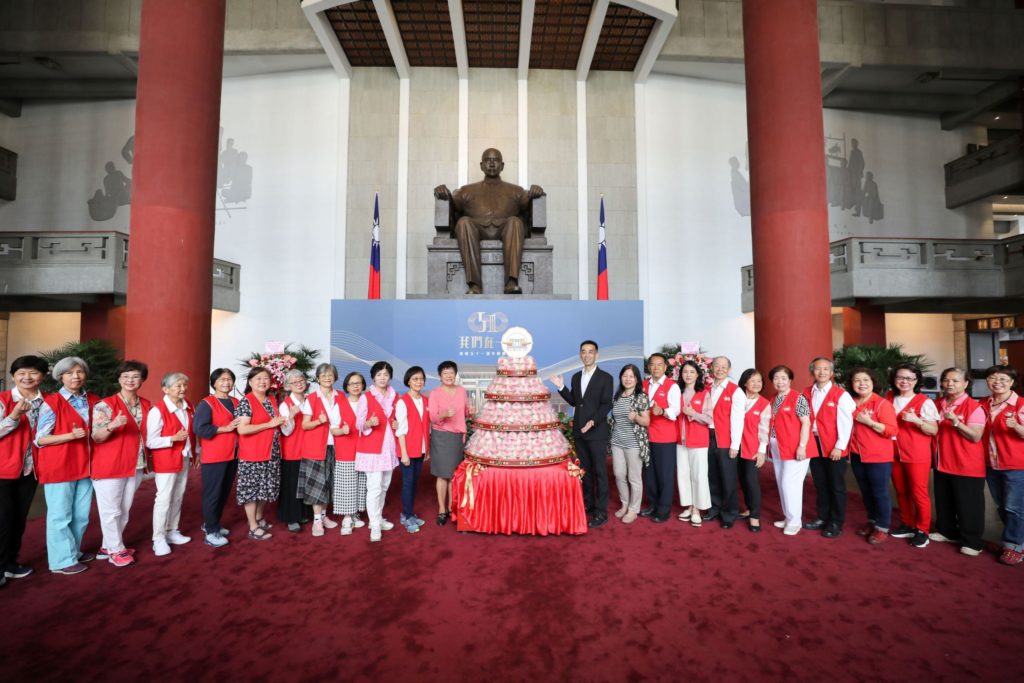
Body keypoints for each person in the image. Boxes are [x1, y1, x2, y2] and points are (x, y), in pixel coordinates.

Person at [433, 148, 545, 294]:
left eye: (496, 160)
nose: (491, 164)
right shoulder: (466, 190)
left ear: (502, 165)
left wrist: (536, 191)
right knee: (463, 222)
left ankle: (511, 282)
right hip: (475, 231)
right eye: (487, 160)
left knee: (515, 222)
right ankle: (474, 285)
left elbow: (528, 200)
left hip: (505, 230)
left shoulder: (516, 191)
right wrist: (444, 193)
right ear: (481, 165)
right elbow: (452, 204)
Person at [34, 356, 99, 574]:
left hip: (86, 465)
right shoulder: (51, 403)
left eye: (79, 372)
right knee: (60, 515)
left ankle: (74, 551)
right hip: (60, 465)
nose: (75, 376)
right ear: (60, 376)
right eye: (69, 373)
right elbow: (40, 439)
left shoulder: (93, 400)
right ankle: (61, 561)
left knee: (81, 514)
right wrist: (70, 436)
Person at [90, 360, 151, 567]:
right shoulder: (105, 405)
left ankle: (107, 546)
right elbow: (96, 437)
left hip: (136, 464)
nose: (130, 380)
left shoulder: (146, 404)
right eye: (125, 376)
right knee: (111, 511)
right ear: (119, 379)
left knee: (124, 510)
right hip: (110, 465)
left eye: (135, 376)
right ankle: (117, 550)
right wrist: (112, 426)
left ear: (142, 380)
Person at [552, 340, 614, 527]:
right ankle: (588, 505)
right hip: (580, 433)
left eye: (590, 352)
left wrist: (592, 421)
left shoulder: (606, 378)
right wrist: (561, 387)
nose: (586, 355)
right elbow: (574, 401)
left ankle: (601, 512)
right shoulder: (576, 378)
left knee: (601, 473)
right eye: (583, 352)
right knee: (585, 472)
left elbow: (606, 405)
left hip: (596, 432)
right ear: (580, 355)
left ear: (597, 355)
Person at [0, 355, 49, 582]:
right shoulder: (3, 399)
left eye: (33, 373)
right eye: (21, 373)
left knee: (18, 519)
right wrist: (13, 416)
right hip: (3, 469)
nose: (27, 377)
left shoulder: (49, 402)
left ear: (43, 376)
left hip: (31, 470)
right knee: (3, 518)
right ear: (13, 376)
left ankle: (10, 562)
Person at [931, 367, 986, 556]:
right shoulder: (937, 403)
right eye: (946, 380)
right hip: (942, 460)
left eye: (955, 381)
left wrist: (956, 421)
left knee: (968, 504)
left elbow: (976, 436)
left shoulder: (974, 406)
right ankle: (947, 531)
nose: (950, 384)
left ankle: (972, 542)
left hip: (966, 463)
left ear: (965, 384)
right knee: (944, 499)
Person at [802, 357, 856, 538]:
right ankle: (822, 516)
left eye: (826, 369)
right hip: (813, 443)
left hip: (833, 446)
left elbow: (846, 423)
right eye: (818, 369)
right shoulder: (806, 392)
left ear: (831, 373)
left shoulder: (841, 394)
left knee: (836, 485)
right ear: (812, 372)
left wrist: (839, 446)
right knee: (820, 483)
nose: (822, 372)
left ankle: (835, 521)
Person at [886, 363, 939, 548]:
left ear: (916, 381)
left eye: (909, 378)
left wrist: (916, 420)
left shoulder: (924, 401)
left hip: (916, 454)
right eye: (900, 377)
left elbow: (933, 429)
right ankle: (907, 523)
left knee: (918, 493)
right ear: (894, 379)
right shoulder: (889, 397)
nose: (904, 381)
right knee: (901, 491)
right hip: (893, 453)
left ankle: (922, 529)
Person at [146, 372, 197, 557]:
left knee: (178, 495)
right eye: (178, 386)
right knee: (164, 498)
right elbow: (151, 441)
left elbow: (191, 432)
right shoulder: (157, 410)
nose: (182, 389)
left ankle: (172, 530)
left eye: (184, 385)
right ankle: (158, 538)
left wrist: (194, 452)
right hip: (166, 459)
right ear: (165, 389)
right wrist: (172, 439)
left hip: (183, 457)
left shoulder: (188, 405)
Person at [846, 368, 898, 545]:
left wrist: (869, 422)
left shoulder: (882, 404)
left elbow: (892, 430)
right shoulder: (850, 403)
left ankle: (883, 527)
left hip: (878, 457)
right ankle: (873, 520)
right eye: (857, 380)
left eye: (865, 380)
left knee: (879, 492)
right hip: (856, 454)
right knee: (866, 491)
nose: (861, 384)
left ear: (873, 382)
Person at [235, 366, 286, 541]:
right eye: (258, 379)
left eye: (266, 378)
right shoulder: (246, 402)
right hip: (253, 454)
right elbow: (242, 429)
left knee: (265, 488)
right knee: (251, 490)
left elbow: (276, 422)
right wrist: (269, 424)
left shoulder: (271, 399)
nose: (263, 381)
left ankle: (259, 517)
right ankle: (252, 526)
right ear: (250, 382)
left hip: (271, 452)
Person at [980, 365, 1024, 565]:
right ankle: (1015, 540)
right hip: (991, 464)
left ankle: (1013, 545)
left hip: (1016, 464)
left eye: (1003, 379)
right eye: (992, 378)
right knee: (1002, 506)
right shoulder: (983, 404)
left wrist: (1018, 428)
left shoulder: (1021, 404)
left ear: (1012, 383)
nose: (997, 382)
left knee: (1014, 507)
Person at [193, 368, 240, 548]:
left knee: (224, 491)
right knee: (213, 493)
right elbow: (199, 428)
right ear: (214, 383)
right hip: (215, 455)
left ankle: (212, 524)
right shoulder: (207, 403)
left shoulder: (236, 401)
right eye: (222, 380)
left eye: (229, 379)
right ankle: (211, 532)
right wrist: (224, 428)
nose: (226, 383)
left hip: (233, 454)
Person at [298, 364, 345, 536]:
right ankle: (317, 520)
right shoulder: (311, 398)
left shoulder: (341, 396)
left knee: (329, 482)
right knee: (317, 483)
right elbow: (305, 424)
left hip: (337, 445)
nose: (327, 377)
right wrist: (319, 421)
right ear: (317, 378)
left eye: (331, 374)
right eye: (323, 375)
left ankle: (324, 516)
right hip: (316, 447)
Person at [356, 361, 399, 543]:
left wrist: (398, 424)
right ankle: (373, 524)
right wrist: (368, 423)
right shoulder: (366, 397)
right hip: (372, 448)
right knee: (373, 487)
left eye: (386, 374)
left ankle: (379, 518)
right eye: (379, 374)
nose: (383, 378)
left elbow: (398, 419)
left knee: (384, 486)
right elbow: (358, 423)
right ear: (373, 377)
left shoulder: (394, 396)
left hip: (389, 447)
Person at [767, 365, 812, 536]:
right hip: (777, 446)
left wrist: (802, 446)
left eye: (783, 378)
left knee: (789, 483)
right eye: (776, 378)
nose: (779, 381)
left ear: (790, 380)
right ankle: (788, 516)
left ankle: (795, 521)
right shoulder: (773, 398)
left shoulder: (798, 398)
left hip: (795, 447)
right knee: (781, 482)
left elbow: (806, 423)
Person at [705, 356, 745, 529]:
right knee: (711, 475)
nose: (719, 369)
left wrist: (735, 445)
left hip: (726, 440)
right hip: (707, 437)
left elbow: (738, 420)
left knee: (727, 478)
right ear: (711, 369)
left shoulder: (735, 391)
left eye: (723, 367)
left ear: (729, 370)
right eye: (716, 366)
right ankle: (714, 507)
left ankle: (730, 512)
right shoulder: (706, 389)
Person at [429, 360, 470, 525]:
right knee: (442, 475)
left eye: (451, 373)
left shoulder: (462, 391)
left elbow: (465, 412)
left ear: (455, 374)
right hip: (441, 436)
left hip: (457, 436)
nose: (449, 376)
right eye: (445, 373)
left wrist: (469, 412)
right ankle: (441, 510)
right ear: (440, 376)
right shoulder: (435, 393)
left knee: (454, 475)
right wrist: (444, 414)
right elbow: (432, 417)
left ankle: (452, 508)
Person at [608, 364, 650, 524]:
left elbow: (646, 421)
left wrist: (636, 418)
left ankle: (634, 509)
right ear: (621, 378)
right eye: (625, 376)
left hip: (633, 444)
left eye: (631, 376)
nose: (627, 379)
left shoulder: (641, 396)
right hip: (617, 442)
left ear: (637, 379)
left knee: (634, 478)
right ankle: (625, 504)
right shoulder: (617, 396)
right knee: (619, 475)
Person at [641, 353, 680, 523]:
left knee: (664, 475)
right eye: (652, 364)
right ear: (649, 367)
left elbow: (676, 410)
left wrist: (663, 411)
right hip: (646, 436)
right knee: (649, 473)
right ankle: (653, 503)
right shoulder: (643, 384)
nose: (655, 367)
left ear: (665, 367)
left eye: (659, 364)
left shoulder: (672, 386)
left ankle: (664, 508)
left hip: (665, 437)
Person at [677, 360, 713, 527]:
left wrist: (693, 413)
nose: (688, 375)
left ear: (698, 374)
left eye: (692, 371)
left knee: (699, 475)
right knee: (683, 475)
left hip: (698, 441)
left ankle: (698, 509)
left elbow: (710, 419)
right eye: (685, 372)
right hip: (680, 440)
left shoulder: (704, 393)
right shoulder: (677, 392)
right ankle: (689, 506)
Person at [331, 372, 368, 535]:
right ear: (346, 386)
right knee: (347, 483)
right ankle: (346, 517)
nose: (355, 386)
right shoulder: (339, 405)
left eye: (358, 383)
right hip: (346, 449)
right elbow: (333, 429)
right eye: (352, 383)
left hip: (364, 450)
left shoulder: (367, 403)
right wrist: (342, 430)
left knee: (361, 482)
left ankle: (354, 513)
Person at [395, 366, 430, 533]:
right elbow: (400, 429)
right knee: (408, 484)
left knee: (414, 483)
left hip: (421, 449)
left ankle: (407, 513)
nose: (419, 382)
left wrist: (426, 450)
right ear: (408, 381)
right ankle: (407, 517)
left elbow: (426, 426)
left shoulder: (425, 400)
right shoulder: (403, 401)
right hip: (407, 450)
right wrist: (404, 454)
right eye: (415, 379)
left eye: (421, 379)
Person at [281, 370, 315, 533]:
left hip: (308, 448)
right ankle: (291, 518)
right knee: (292, 484)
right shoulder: (285, 404)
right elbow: (285, 431)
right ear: (288, 386)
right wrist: (292, 417)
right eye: (294, 382)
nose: (299, 384)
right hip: (292, 450)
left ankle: (302, 513)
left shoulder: (310, 401)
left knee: (305, 484)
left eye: (301, 380)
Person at [737, 369, 769, 532]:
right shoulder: (737, 399)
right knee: (741, 479)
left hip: (752, 448)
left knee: (751, 481)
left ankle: (755, 516)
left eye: (759, 381)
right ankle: (749, 509)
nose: (757, 384)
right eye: (753, 380)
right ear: (744, 383)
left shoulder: (764, 404)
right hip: (734, 447)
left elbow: (764, 430)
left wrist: (762, 451)